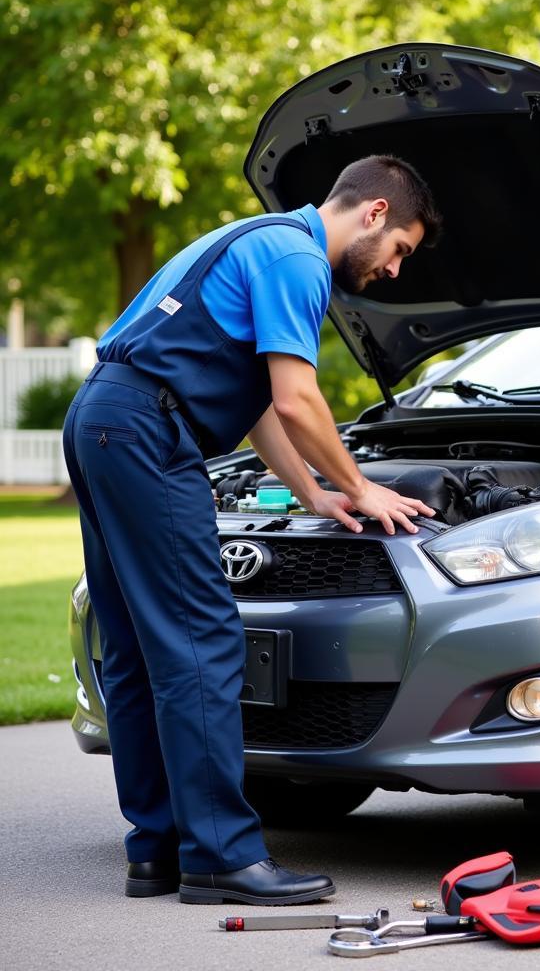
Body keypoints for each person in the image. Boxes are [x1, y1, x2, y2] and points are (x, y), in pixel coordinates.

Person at [62, 155, 441, 905]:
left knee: (138, 650)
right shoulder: (299, 261)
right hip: (145, 434)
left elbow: (263, 408)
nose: (396, 270)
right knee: (203, 642)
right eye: (401, 248)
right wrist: (362, 486)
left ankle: (158, 849)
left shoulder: (258, 239)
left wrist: (315, 493)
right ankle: (222, 858)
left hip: (103, 418)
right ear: (373, 214)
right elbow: (299, 401)